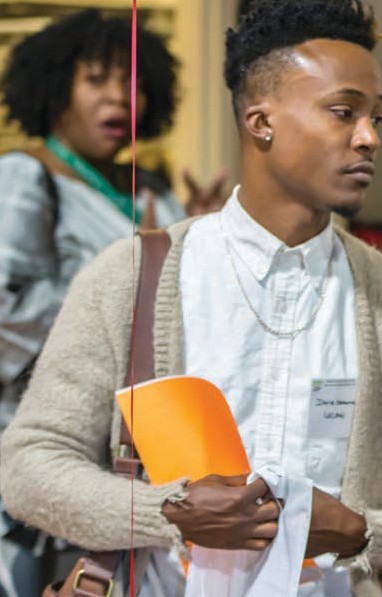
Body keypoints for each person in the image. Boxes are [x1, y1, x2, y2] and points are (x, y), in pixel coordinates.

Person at [0, 1, 382, 595]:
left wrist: (359, 532)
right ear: (260, 121)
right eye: (343, 112)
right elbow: (30, 466)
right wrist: (167, 511)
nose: (369, 137)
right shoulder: (133, 276)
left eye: (377, 117)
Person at [0, 10, 225, 595]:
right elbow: (5, 311)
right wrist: (124, 280)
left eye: (134, 83)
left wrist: (208, 226)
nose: (120, 98)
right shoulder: (26, 177)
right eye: (96, 79)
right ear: (55, 88)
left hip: (144, 455)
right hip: (51, 452)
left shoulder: (148, 188)